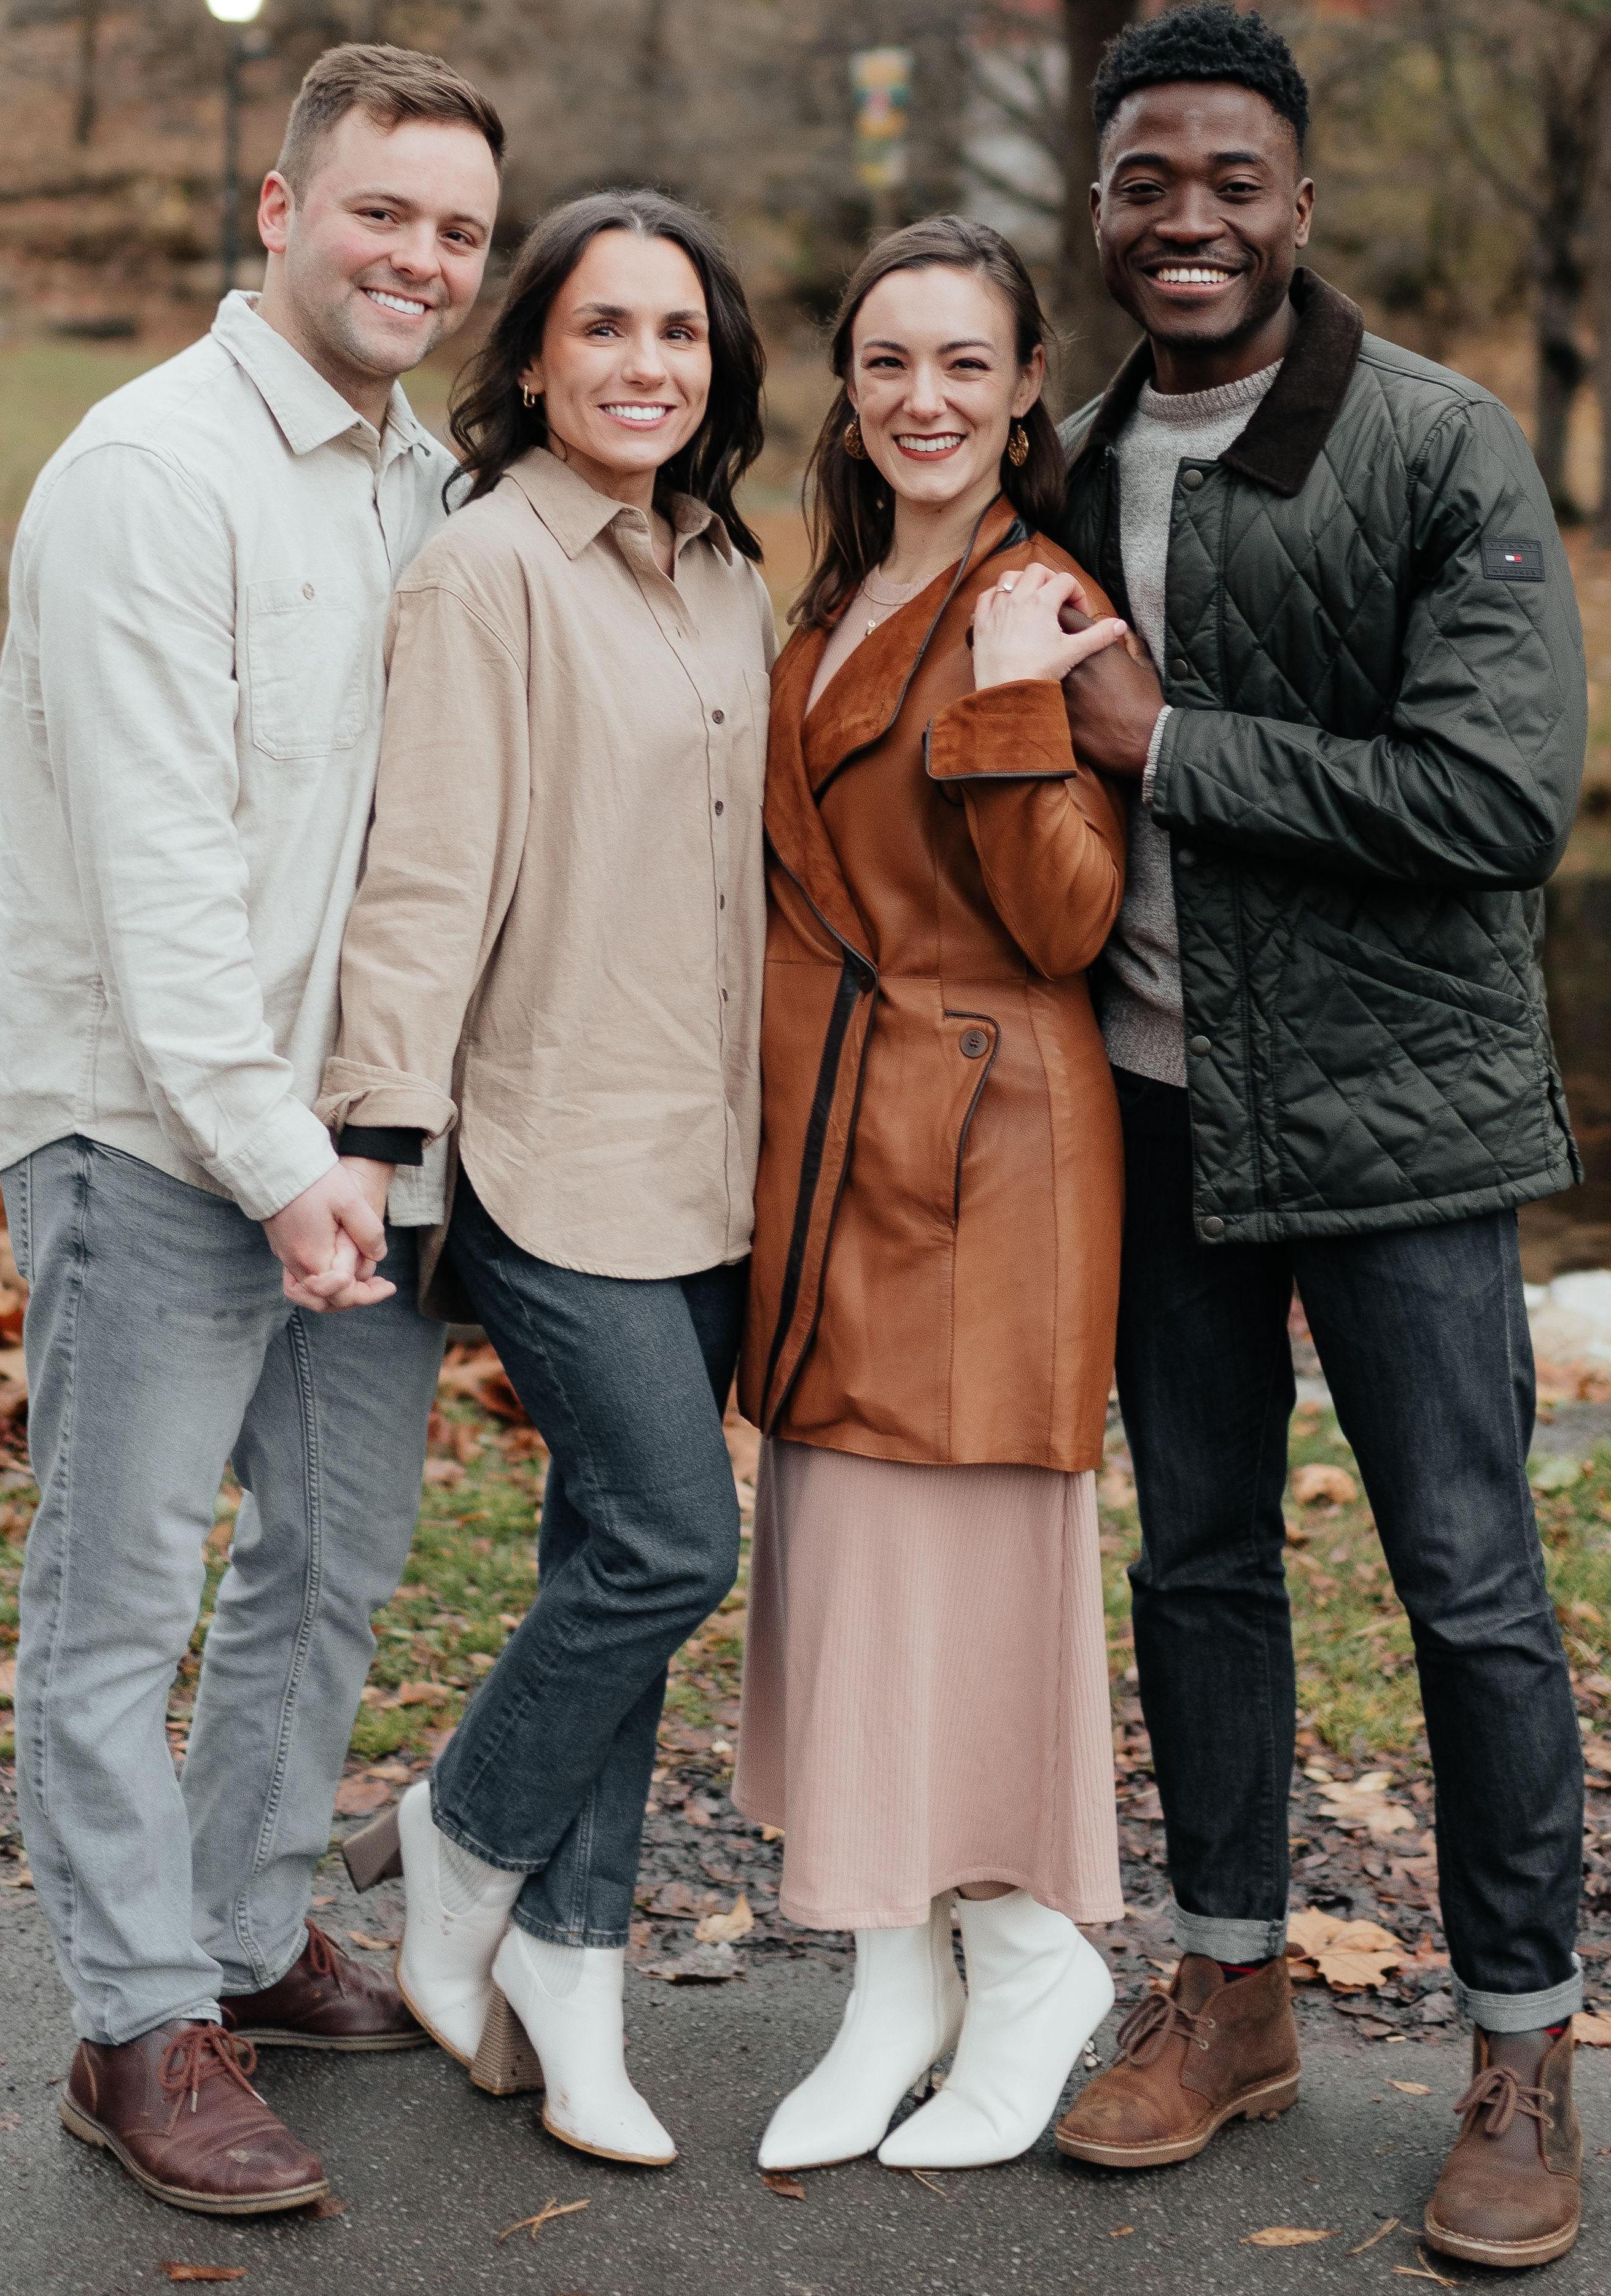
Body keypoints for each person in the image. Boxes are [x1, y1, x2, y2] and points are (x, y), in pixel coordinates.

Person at [1041, 3, 1595, 2275]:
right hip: (1153, 1121)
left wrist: (1173, 748)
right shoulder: (1059, 460)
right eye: (1145, 183)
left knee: (1466, 1582)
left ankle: (1520, 2043)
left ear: (1301, 200)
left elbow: (1493, 801)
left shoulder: (1435, 449)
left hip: (1404, 1132)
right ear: (1098, 209)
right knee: (1195, 1564)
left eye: (1231, 182)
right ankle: (1234, 1981)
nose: (1189, 221)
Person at [0, 46, 508, 2214]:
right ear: (279, 209)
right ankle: (132, 2022)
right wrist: (278, 1162)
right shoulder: (146, 475)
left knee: (329, 1566)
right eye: (383, 212)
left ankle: (251, 1927)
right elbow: (157, 875)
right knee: (117, 1598)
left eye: (458, 229)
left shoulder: (420, 473)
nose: (422, 259)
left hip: (358, 1150)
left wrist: (361, 1145)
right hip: (158, 1139)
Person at [316, 190, 775, 2169]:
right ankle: (457, 1827)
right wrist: (376, 1139)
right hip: (546, 1144)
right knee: (677, 1548)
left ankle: (566, 1993)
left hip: (713, 1159)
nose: (645, 365)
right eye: (605, 329)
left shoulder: (725, 570)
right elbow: (421, 879)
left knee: (609, 1562)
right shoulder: (483, 570)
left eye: (678, 332)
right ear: (530, 360)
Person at [732, 217, 1136, 2174]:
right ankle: (891, 1974)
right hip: (826, 1152)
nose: (923, 399)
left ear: (1026, 386)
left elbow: (1070, 916)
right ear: (849, 382)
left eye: (964, 364)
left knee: (953, 1579)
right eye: (888, 361)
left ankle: (1028, 1951)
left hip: (985, 1158)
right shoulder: (824, 594)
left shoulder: (1038, 597)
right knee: (846, 1570)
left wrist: (999, 708)